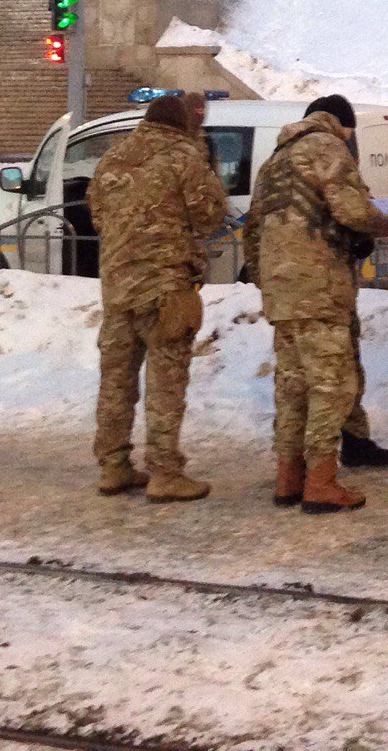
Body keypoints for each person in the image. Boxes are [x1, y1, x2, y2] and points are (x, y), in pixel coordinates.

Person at [241, 94, 388, 513]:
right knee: (332, 385)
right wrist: (385, 223)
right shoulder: (327, 147)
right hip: (319, 287)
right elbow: (350, 209)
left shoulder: (274, 160)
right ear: (341, 125)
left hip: (282, 291)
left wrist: (266, 277)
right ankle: (322, 482)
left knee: (291, 387)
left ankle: (288, 477)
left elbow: (251, 228)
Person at [85, 90, 225, 501]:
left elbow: (96, 215)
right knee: (166, 379)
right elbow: (210, 215)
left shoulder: (114, 157)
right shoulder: (184, 156)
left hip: (117, 287)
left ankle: (113, 467)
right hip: (165, 287)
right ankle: (165, 471)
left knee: (116, 380)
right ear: (182, 125)